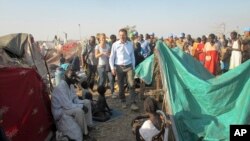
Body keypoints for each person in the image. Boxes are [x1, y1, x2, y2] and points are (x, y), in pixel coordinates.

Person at [51, 65, 94, 141]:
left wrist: (82, 104)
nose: (74, 78)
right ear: (65, 76)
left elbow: (75, 100)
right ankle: (85, 134)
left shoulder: (70, 85)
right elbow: (67, 105)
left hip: (67, 107)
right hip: (61, 111)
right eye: (72, 76)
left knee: (87, 102)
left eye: (75, 75)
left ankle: (88, 125)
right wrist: (81, 106)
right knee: (79, 111)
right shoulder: (61, 87)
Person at [109, 28, 139, 111]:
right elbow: (112, 57)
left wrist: (133, 66)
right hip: (119, 67)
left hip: (129, 66)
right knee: (121, 86)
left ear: (126, 35)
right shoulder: (115, 45)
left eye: (123, 35)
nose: (122, 36)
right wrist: (112, 68)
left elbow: (132, 56)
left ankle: (133, 102)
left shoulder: (130, 44)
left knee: (132, 84)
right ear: (119, 35)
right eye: (120, 35)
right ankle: (123, 100)